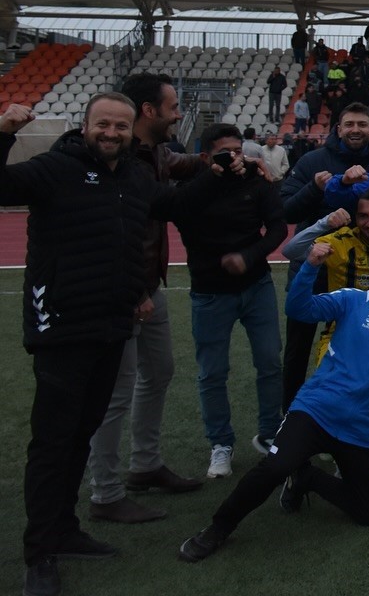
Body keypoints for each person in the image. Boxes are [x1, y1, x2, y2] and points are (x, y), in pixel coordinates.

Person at [0, 96, 212, 596]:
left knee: (81, 433)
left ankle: (64, 529)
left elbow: (176, 204)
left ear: (130, 129)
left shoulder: (134, 177)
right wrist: (3, 133)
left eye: (120, 125)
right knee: (53, 442)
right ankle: (39, 553)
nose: (111, 133)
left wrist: (221, 173)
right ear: (86, 125)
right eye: (103, 124)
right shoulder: (55, 168)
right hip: (62, 327)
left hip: (112, 325)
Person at [177, 242, 369, 562]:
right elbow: (299, 309)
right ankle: (218, 528)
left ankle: (306, 477)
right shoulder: (354, 300)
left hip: (365, 432)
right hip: (317, 412)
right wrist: (310, 265)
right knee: (274, 468)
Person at [90, 72, 207, 525]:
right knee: (115, 391)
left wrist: (221, 159)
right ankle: (105, 492)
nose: (178, 115)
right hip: (123, 291)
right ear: (149, 110)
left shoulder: (154, 151)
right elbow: (112, 234)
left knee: (158, 372)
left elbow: (182, 163)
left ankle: (144, 464)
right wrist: (135, 290)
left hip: (149, 286)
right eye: (173, 107)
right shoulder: (118, 162)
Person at [171, 123, 287, 489]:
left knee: (270, 361)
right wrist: (211, 178)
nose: (235, 157)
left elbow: (278, 228)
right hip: (210, 291)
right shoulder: (190, 191)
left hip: (256, 285)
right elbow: (173, 213)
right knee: (212, 372)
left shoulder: (255, 180)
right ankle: (220, 443)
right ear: (206, 156)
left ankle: (270, 433)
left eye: (238, 150)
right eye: (226, 152)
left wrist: (247, 256)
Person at [279, 102, 369, 409]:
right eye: (349, 124)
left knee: (360, 347)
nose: (355, 130)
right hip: (312, 271)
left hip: (361, 274)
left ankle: (354, 412)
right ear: (338, 129)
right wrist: (315, 188)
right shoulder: (312, 161)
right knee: (298, 350)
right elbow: (286, 211)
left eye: (362, 124)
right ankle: (291, 415)